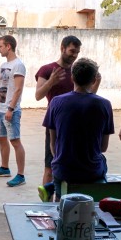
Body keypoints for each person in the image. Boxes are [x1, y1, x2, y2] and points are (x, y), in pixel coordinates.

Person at [43, 58, 113, 201]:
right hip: (91, 171)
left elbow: (53, 145)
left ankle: (55, 192)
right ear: (94, 80)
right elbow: (103, 147)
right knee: (102, 160)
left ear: (72, 77)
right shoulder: (104, 104)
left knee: (60, 202)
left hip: (63, 170)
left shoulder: (56, 102)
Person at [34, 35, 87, 200]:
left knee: (72, 166)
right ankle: (46, 205)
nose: (74, 55)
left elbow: (87, 95)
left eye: (77, 52)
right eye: (72, 51)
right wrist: (51, 81)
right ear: (62, 48)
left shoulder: (77, 71)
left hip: (77, 126)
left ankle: (64, 202)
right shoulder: (47, 69)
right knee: (50, 167)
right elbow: (38, 95)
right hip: (55, 125)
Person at [0, 35, 27, 187]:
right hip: (0, 109)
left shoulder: (18, 65)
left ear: (8, 46)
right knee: (1, 138)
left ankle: (21, 175)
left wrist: (11, 108)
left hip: (11, 110)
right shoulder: (3, 65)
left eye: (1, 46)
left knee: (15, 141)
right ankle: (4, 168)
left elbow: (18, 89)